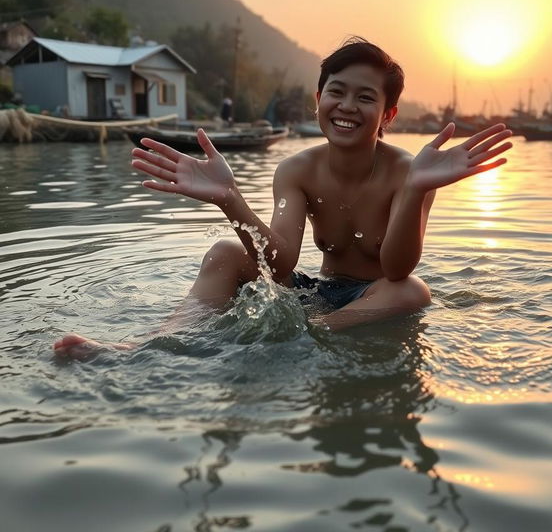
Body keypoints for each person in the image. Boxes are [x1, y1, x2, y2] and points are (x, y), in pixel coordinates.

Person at [54, 37, 512, 357]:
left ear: (387, 113)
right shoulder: (297, 170)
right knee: (225, 251)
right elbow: (281, 264)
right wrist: (229, 197)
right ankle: (150, 346)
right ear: (319, 98)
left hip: (370, 299)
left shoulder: (410, 172)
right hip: (314, 292)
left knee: (412, 290)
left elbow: (395, 269)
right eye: (337, 91)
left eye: (366, 98)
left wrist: (416, 190)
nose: (348, 106)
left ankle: (297, 336)